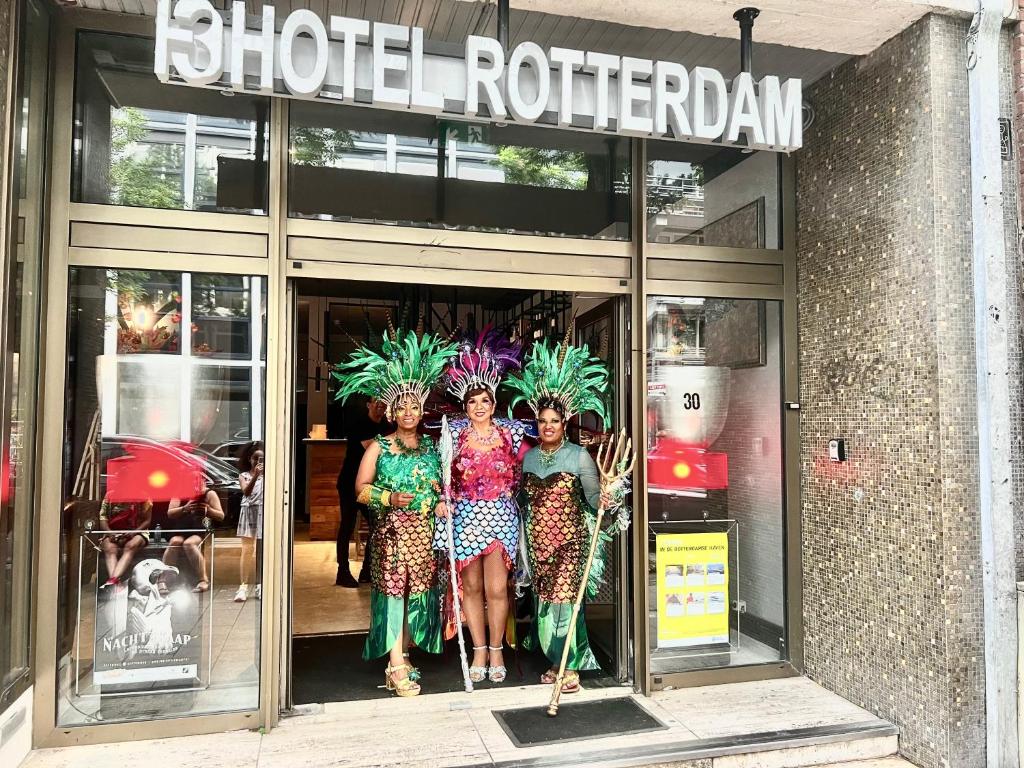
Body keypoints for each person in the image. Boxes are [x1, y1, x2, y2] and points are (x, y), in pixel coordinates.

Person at [333, 323, 456, 696]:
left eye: (414, 406)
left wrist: (440, 503)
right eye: (401, 406)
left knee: (416, 596)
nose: (408, 412)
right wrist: (388, 499)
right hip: (390, 536)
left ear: (421, 410)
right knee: (392, 596)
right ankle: (395, 664)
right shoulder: (378, 447)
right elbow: (359, 490)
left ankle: (403, 653)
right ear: (392, 410)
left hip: (424, 539)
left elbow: (439, 487)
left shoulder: (433, 447)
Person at [505, 329, 612, 694]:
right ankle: (555, 660)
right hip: (537, 542)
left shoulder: (579, 456)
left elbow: (593, 499)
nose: (547, 426)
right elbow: (522, 498)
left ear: (563, 423)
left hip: (570, 542)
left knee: (567, 601)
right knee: (546, 602)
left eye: (554, 421)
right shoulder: (530, 456)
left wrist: (606, 501)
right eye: (542, 421)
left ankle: (570, 665)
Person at [436, 327, 524, 684]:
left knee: (497, 588)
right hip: (466, 517)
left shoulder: (511, 431)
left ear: (493, 402)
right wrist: (442, 499)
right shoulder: (452, 433)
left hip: (500, 516)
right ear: (465, 405)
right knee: (470, 588)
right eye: (472, 402)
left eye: (484, 401)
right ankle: (479, 649)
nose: (478, 407)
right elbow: (438, 472)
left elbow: (526, 469)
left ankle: (498, 648)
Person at [335, 397, 389, 588]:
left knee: (376, 526)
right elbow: (373, 447)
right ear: (368, 404)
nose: (380, 405)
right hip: (349, 484)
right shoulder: (357, 423)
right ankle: (342, 571)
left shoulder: (386, 425)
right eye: (376, 402)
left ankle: (367, 570)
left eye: (384, 402)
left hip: (370, 487)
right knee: (347, 526)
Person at [164, 486, 225, 593]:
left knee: (189, 544)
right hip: (182, 528)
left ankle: (203, 580)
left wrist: (208, 510)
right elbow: (170, 513)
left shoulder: (209, 493)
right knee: (174, 542)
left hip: (200, 528)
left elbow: (221, 516)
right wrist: (185, 508)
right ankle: (162, 580)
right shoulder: (179, 492)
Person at [98, 495, 153, 588]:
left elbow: (147, 521)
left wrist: (133, 533)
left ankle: (113, 581)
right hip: (112, 532)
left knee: (130, 546)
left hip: (137, 532)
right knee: (109, 548)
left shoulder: (145, 496)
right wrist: (110, 533)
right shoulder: (109, 495)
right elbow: (103, 518)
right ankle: (115, 582)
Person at [235, 441, 264, 603]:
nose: (258, 462)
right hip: (248, 512)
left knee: (261, 550)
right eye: (255, 458)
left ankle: (260, 584)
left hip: (262, 512)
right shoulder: (244, 475)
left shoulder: (269, 476)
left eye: (262, 459)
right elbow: (246, 492)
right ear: (249, 459)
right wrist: (256, 476)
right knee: (247, 550)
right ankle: (243, 585)